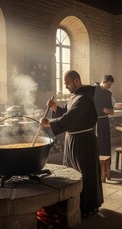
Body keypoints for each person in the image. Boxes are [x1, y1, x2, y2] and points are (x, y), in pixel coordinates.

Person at [40, 70, 103, 217]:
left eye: (68, 83)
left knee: (83, 173)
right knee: (73, 171)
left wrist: (50, 123)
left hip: (83, 142)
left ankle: (87, 206)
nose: (66, 86)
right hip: (74, 140)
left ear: (76, 81)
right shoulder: (76, 96)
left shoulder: (84, 97)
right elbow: (68, 112)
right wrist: (56, 108)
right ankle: (75, 203)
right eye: (64, 83)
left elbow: (72, 117)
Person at [93, 75, 115, 156]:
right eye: (108, 85)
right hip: (96, 121)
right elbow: (91, 105)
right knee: (98, 142)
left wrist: (111, 110)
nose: (109, 87)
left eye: (111, 85)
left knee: (105, 141)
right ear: (103, 82)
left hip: (105, 120)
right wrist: (102, 109)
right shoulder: (93, 90)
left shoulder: (108, 93)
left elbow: (110, 106)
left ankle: (106, 162)